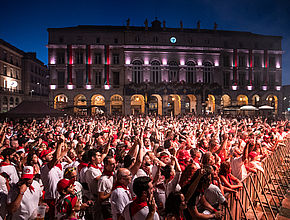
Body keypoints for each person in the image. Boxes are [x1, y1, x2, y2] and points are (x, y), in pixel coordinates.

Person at [98, 156, 116, 220]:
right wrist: (111, 192)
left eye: (115, 163)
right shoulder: (103, 180)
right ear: (106, 165)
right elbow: (101, 197)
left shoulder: (113, 175)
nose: (114, 166)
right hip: (107, 207)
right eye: (112, 164)